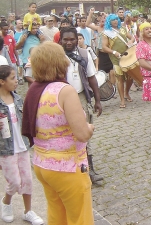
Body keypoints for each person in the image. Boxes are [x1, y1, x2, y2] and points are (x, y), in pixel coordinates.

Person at [22, 42, 95, 224]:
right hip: (67, 166)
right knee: (80, 218)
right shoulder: (65, 91)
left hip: (42, 164)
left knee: (57, 215)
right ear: (59, 62)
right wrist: (89, 128)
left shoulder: (34, 89)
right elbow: (82, 134)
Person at [0, 65, 44, 224]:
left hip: (22, 145)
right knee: (14, 181)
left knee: (27, 180)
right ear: (2, 82)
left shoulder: (17, 98)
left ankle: (28, 211)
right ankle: (6, 201)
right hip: (6, 149)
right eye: (12, 78)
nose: (16, 81)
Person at [60, 28, 103, 183]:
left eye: (73, 39)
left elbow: (92, 78)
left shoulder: (84, 54)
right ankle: (69, 168)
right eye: (66, 39)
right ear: (61, 40)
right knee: (66, 133)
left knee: (85, 133)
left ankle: (89, 170)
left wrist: (97, 100)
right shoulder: (56, 56)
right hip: (62, 99)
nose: (70, 42)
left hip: (81, 97)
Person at [102, 14, 136, 108]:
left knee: (130, 77)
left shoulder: (123, 29)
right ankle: (121, 100)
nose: (115, 21)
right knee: (119, 78)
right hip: (116, 58)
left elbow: (132, 37)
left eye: (116, 19)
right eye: (113, 20)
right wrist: (113, 52)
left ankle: (126, 93)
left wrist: (131, 41)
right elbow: (104, 47)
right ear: (109, 21)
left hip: (127, 56)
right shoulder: (107, 33)